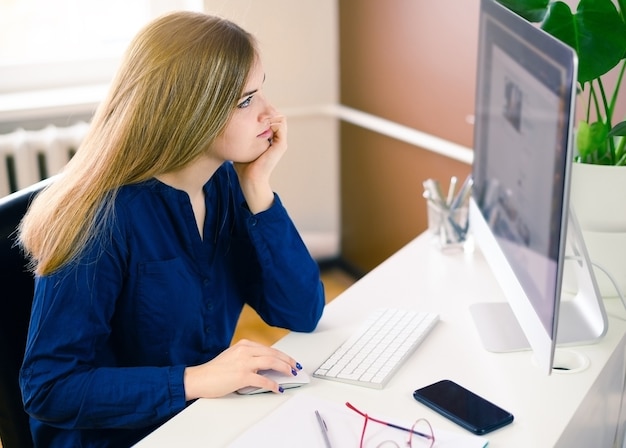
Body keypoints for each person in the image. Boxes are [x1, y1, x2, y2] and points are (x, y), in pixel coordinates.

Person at [17, 11, 325, 447]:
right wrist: (194, 380)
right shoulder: (100, 219)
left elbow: (300, 312)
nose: (270, 114)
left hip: (202, 418)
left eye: (261, 92)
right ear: (190, 113)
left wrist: (258, 188)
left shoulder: (222, 182)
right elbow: (49, 388)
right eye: (246, 100)